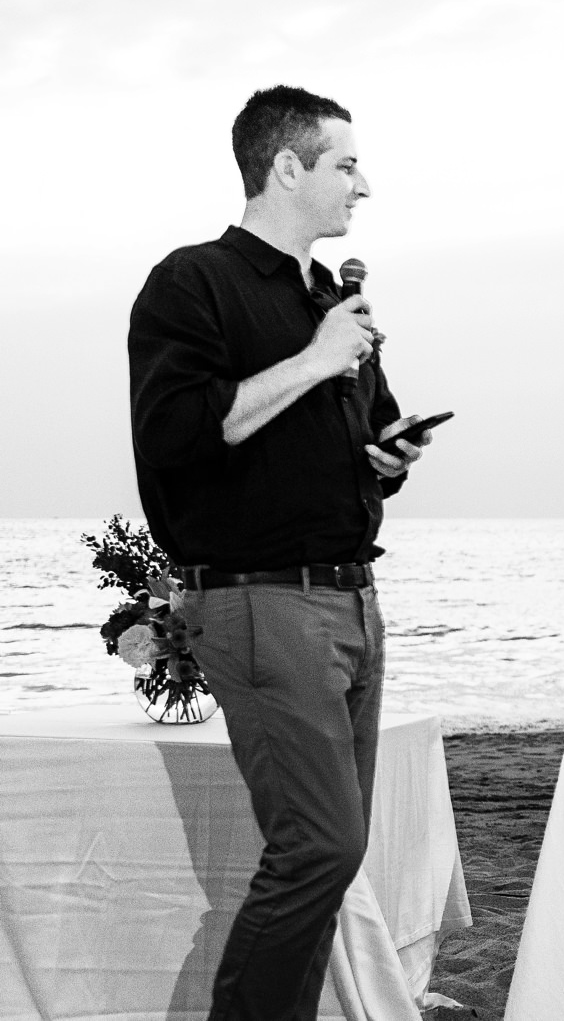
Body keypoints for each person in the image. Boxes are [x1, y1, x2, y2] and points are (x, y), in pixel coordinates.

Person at [127, 85, 434, 1020]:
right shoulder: (193, 282)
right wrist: (314, 357)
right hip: (262, 601)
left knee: (330, 855)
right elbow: (177, 434)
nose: (364, 184)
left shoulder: (329, 299)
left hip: (352, 599)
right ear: (287, 167)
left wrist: (388, 456)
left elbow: (348, 448)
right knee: (320, 847)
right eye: (346, 163)